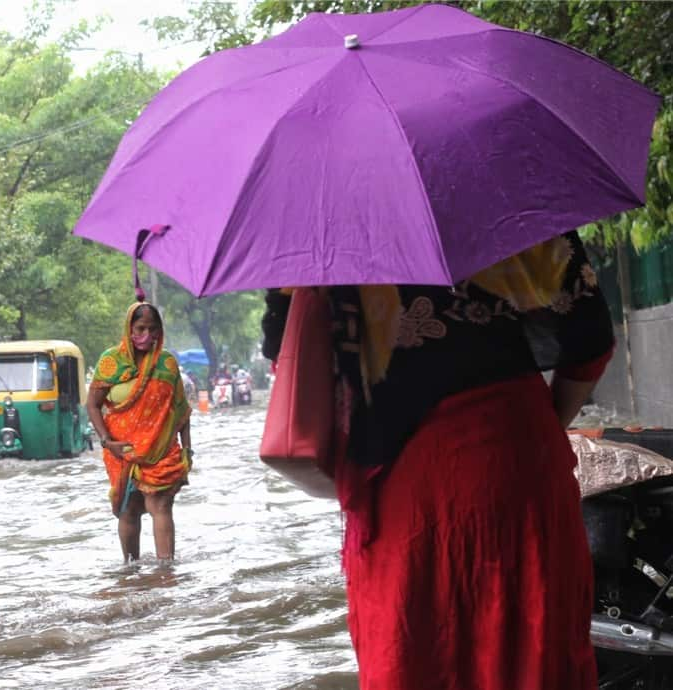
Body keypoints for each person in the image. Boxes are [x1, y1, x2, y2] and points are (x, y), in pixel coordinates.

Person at [261, 231, 612, 690]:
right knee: (537, 658)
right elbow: (591, 338)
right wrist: (545, 422)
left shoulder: (321, 226)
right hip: (522, 456)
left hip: (404, 484)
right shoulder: (504, 196)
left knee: (414, 658)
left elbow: (286, 355)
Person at [86, 302, 193, 562]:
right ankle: (131, 572)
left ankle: (166, 573)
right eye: (140, 328)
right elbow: (93, 404)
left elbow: (180, 411)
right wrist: (106, 441)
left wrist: (187, 450)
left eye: (153, 329)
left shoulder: (166, 364)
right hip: (122, 451)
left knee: (161, 505)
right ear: (129, 329)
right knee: (129, 510)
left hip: (161, 451)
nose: (147, 335)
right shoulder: (111, 362)